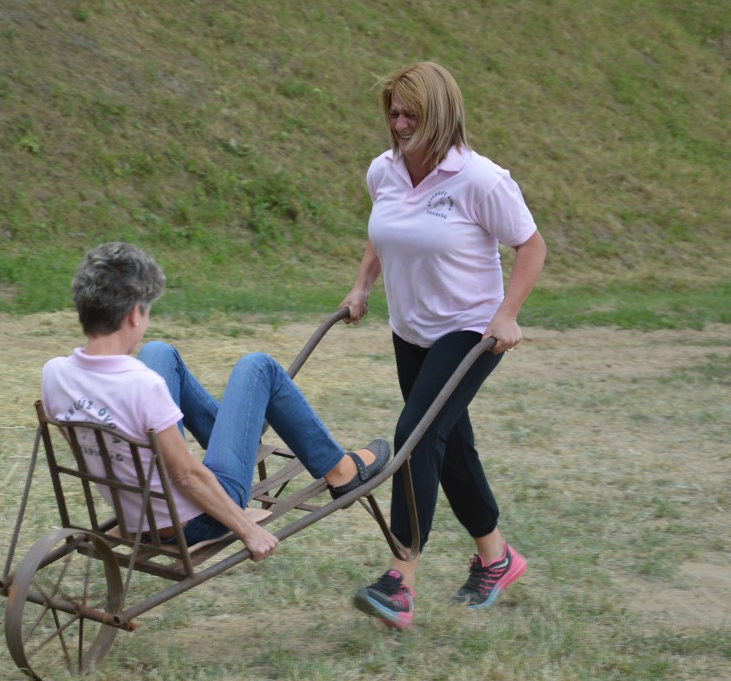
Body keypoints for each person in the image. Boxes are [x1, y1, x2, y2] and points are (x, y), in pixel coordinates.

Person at [339, 61, 547, 628]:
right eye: (394, 114)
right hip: (410, 330)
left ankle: (399, 581)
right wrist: (361, 286)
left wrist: (507, 315)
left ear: (441, 114)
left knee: (414, 437)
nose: (400, 124)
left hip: (469, 330)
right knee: (448, 443)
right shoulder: (383, 171)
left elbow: (531, 247)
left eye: (412, 114)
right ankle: (497, 558)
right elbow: (384, 231)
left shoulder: (480, 179)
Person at [42, 242, 393, 562]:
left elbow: (93, 453)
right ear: (134, 314)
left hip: (137, 511)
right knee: (258, 366)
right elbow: (185, 475)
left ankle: (238, 433)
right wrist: (248, 530)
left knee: (158, 351)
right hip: (196, 520)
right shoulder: (142, 386)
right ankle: (340, 470)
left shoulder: (54, 374)